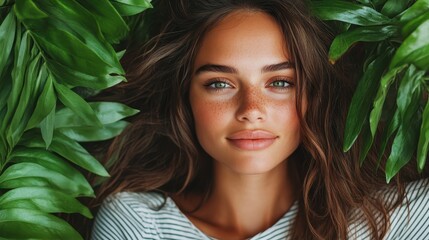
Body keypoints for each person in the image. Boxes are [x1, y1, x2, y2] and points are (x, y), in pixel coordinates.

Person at [91, 0, 429, 239]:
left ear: (314, 95)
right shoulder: (139, 223)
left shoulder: (396, 220)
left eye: (280, 82)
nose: (251, 108)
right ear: (185, 97)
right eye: (219, 84)